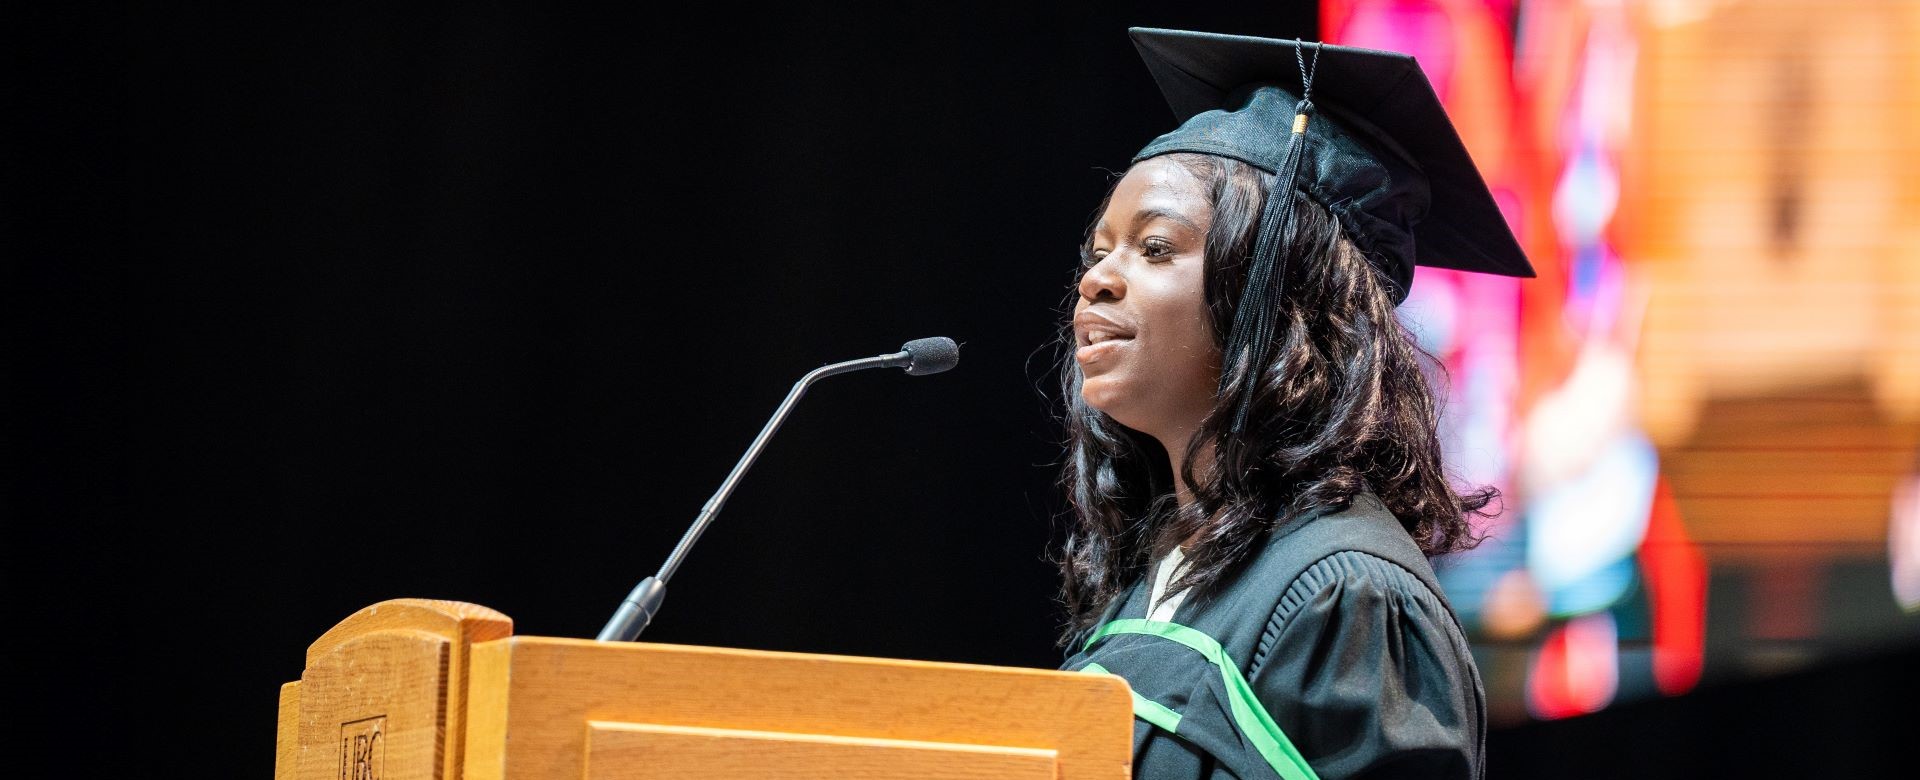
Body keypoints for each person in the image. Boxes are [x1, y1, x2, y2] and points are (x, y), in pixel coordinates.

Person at [1054, 29, 1535, 780]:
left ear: (1278, 299)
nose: (1098, 280)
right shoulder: (1158, 580)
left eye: (1153, 248)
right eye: (1099, 251)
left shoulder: (1350, 597)